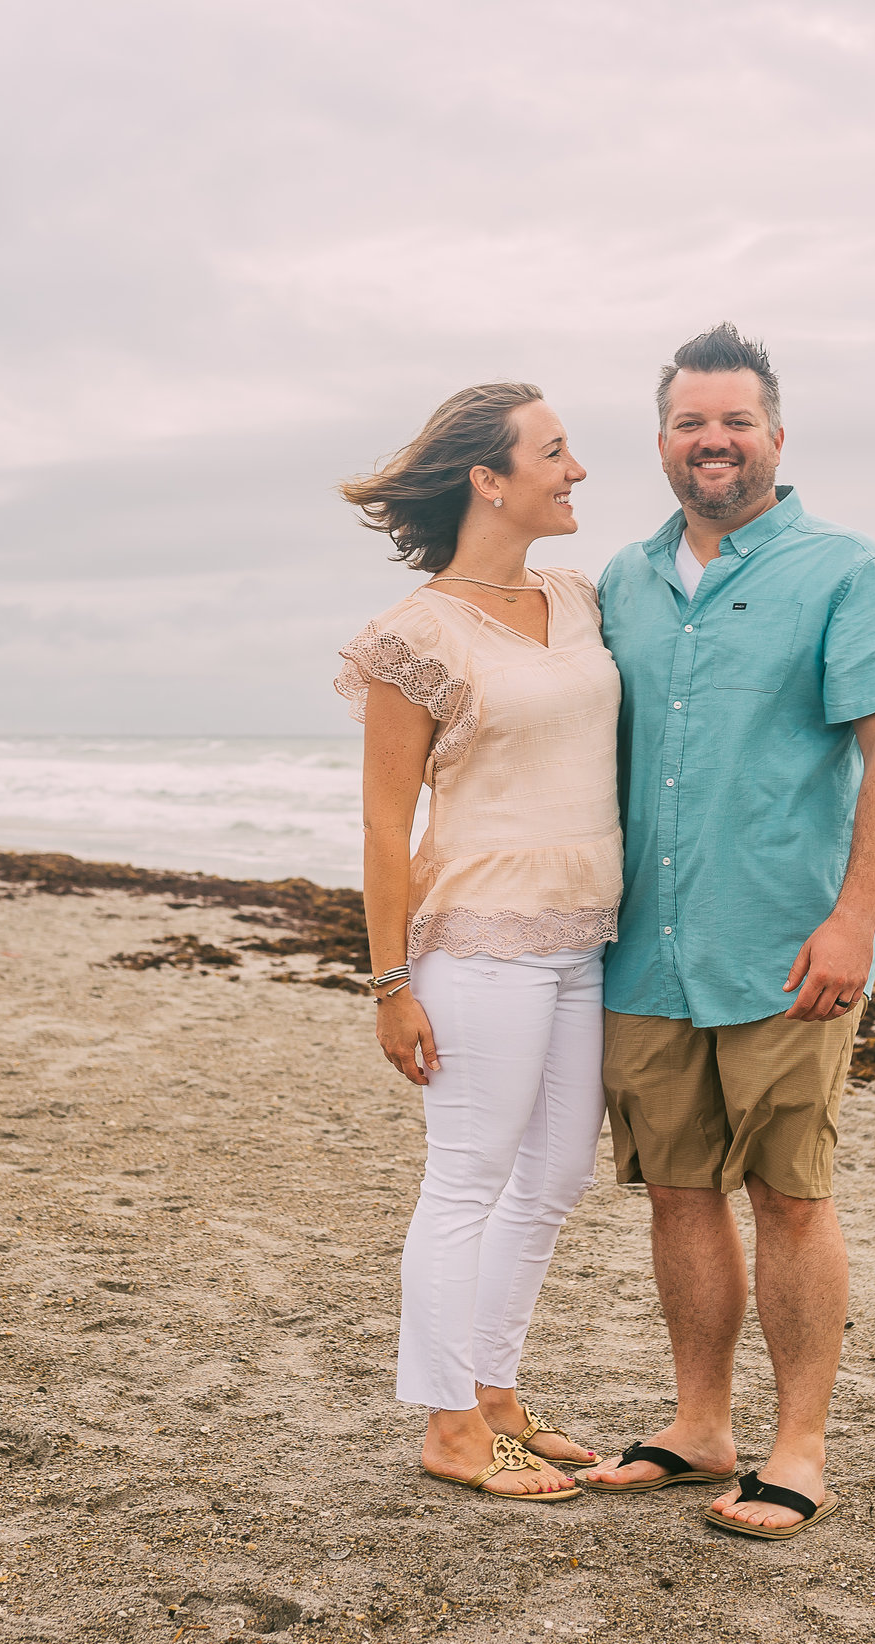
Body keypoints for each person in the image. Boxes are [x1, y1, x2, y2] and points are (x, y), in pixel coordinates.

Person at [577, 325, 875, 1539]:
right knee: (677, 1191)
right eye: (689, 422)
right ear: (662, 441)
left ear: (776, 435)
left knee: (788, 1193)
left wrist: (854, 919)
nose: (711, 440)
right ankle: (696, 1427)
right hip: (643, 948)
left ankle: (798, 1446)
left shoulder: (849, 571)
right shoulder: (620, 579)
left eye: (733, 420)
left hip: (786, 946)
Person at [334, 383, 622, 1502]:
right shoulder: (412, 636)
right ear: (486, 479)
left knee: (551, 1177)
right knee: (464, 1181)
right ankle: (449, 1426)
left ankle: (495, 1393)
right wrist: (389, 980)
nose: (577, 471)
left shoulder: (580, 598)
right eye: (554, 453)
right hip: (479, 945)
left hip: (582, 937)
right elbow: (380, 819)